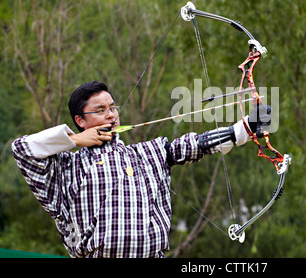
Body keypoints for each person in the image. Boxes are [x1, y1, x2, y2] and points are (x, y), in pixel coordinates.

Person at [11, 81, 270, 258]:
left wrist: (243, 129)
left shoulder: (146, 153)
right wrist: (76, 141)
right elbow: (22, 149)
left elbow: (193, 145)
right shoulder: (67, 167)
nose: (111, 115)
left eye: (113, 108)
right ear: (80, 120)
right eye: (100, 111)